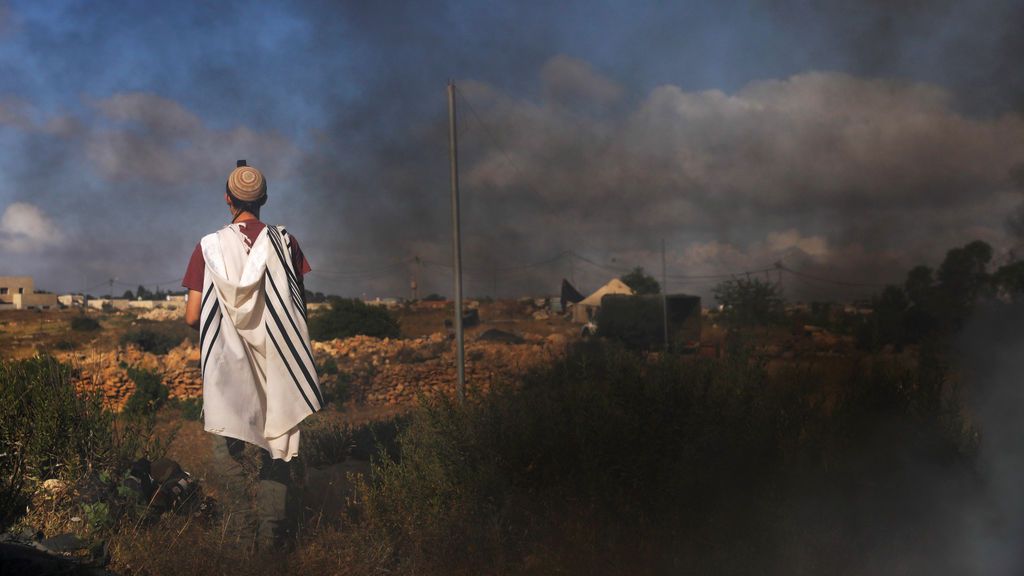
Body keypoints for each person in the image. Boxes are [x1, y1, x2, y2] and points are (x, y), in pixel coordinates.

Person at [182, 160, 323, 552]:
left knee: (226, 449)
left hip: (228, 366)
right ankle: (269, 540)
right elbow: (296, 309)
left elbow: (193, 315)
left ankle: (242, 534)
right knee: (276, 448)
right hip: (276, 363)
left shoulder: (208, 247)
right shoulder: (285, 242)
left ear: (227, 199)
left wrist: (225, 329)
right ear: (264, 199)